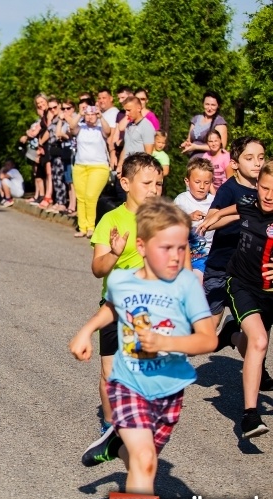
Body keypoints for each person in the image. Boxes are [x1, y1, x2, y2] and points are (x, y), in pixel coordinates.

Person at [70, 196, 217, 499]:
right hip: (128, 383)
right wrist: (86, 330)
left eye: (182, 248)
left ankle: (116, 446)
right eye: (167, 247)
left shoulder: (186, 286)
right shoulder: (123, 280)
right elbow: (112, 307)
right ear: (142, 245)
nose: (177, 256)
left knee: (141, 461)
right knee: (147, 461)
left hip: (170, 389)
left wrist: (168, 343)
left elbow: (207, 339)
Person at [84, 153, 164, 458]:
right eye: (147, 183)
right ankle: (110, 426)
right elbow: (98, 269)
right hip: (115, 306)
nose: (154, 189)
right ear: (126, 183)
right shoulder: (112, 220)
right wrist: (115, 253)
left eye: (158, 183)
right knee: (109, 374)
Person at [198, 160, 273, 438]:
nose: (268, 195)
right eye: (264, 188)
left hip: (270, 293)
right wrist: (212, 218)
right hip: (241, 283)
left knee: (252, 344)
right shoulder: (252, 203)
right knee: (260, 340)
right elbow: (236, 210)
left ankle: (231, 334)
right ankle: (250, 417)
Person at [67, 104, 112, 238]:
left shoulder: (100, 129)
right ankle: (83, 227)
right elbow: (71, 127)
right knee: (81, 198)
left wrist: (100, 116)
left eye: (92, 114)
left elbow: (108, 131)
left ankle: (91, 227)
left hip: (98, 167)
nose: (90, 117)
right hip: (81, 166)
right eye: (88, 114)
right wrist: (80, 114)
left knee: (91, 196)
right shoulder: (81, 128)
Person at [174, 158, 215, 283]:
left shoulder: (214, 201)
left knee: (196, 281)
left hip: (204, 255)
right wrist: (188, 217)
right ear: (187, 181)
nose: (202, 187)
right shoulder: (181, 200)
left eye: (206, 183)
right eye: (197, 182)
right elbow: (169, 223)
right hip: (181, 253)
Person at [181, 90, 228, 160]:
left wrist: (196, 147)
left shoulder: (219, 122)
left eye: (213, 105)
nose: (209, 108)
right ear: (203, 104)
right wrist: (185, 145)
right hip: (193, 160)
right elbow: (189, 140)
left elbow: (221, 147)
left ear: (218, 106)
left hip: (209, 162)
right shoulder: (196, 119)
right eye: (207, 104)